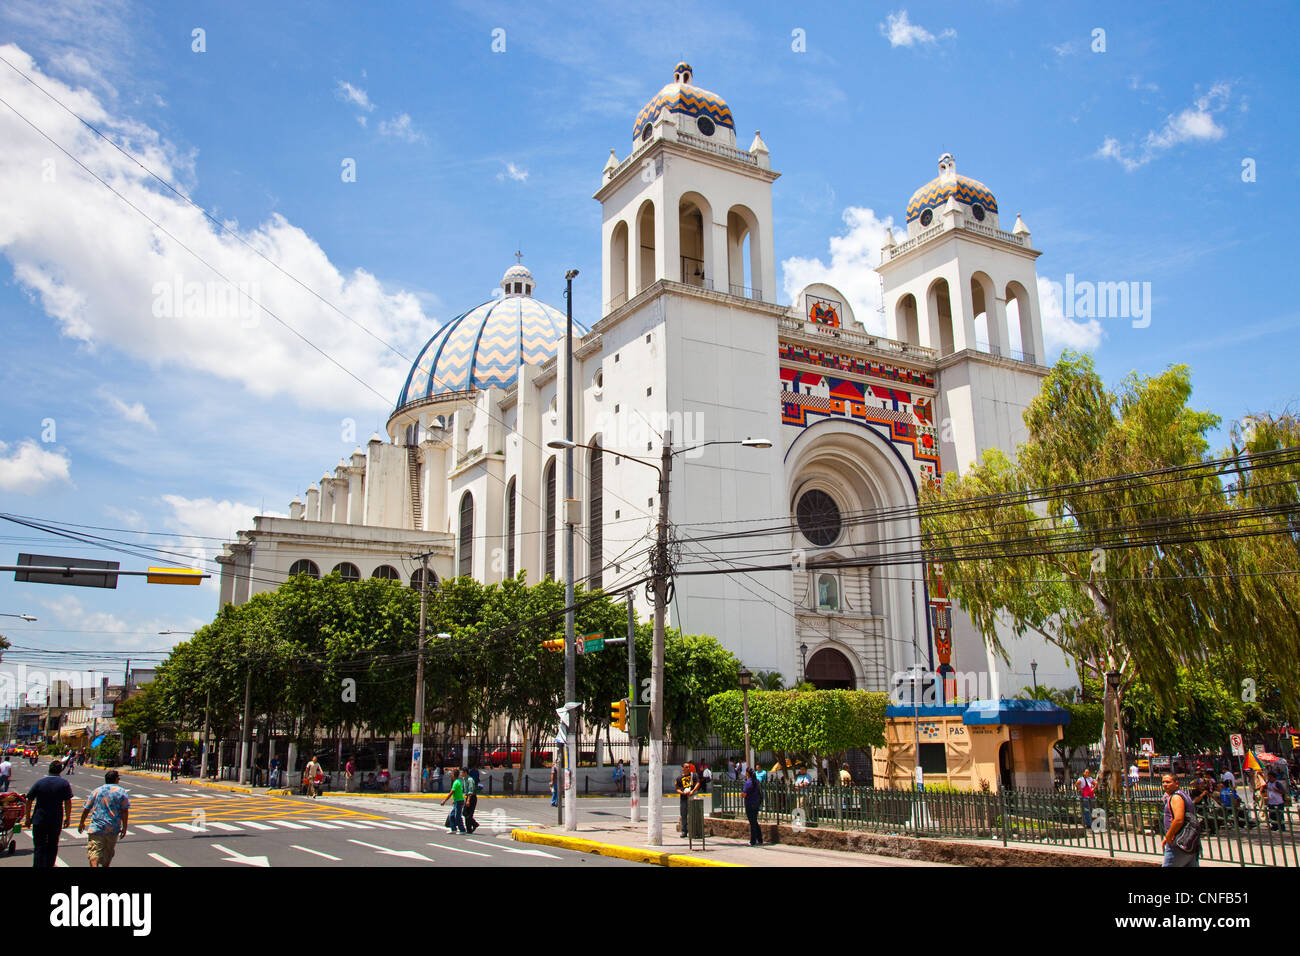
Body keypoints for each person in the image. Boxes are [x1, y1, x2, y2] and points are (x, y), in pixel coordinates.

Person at [24, 761, 73, 868]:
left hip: (39, 819)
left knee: (39, 846)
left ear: (49, 769)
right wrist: (68, 818)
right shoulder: (64, 784)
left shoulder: (40, 782)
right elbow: (68, 802)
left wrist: (27, 818)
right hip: (55, 820)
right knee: (52, 846)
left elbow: (29, 800)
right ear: (60, 770)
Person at [78, 769, 130, 868]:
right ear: (116, 780)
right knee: (108, 854)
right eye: (118, 778)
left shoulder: (97, 791)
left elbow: (87, 808)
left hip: (97, 827)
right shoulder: (121, 792)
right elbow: (124, 811)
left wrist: (82, 822)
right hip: (113, 828)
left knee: (94, 853)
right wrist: (124, 827)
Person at [1161, 773, 1199, 867]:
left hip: (1179, 842)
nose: (1165, 784)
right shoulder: (1183, 795)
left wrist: (1168, 836)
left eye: (1168, 782)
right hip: (1189, 841)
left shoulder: (1176, 797)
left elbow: (1178, 819)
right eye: (1163, 782)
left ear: (1176, 783)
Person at [675, 762, 699, 837]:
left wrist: (693, 791)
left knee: (693, 814)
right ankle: (684, 830)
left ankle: (694, 830)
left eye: (688, 767)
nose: (688, 768)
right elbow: (677, 789)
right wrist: (682, 793)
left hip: (692, 796)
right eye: (686, 767)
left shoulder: (694, 775)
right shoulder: (679, 778)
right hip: (684, 798)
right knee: (684, 814)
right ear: (682, 768)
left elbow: (698, 783)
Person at [440, 767, 467, 833]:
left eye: (452, 774)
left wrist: (444, 801)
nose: (451, 775)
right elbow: (458, 792)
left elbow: (451, 793)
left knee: (457, 816)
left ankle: (462, 829)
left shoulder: (456, 783)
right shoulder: (458, 782)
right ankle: (453, 829)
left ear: (454, 775)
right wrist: (454, 800)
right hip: (457, 800)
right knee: (452, 815)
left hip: (459, 801)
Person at [742, 766, 763, 846]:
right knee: (754, 821)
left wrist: (742, 795)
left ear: (747, 773)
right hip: (756, 803)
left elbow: (744, 794)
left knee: (752, 822)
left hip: (749, 804)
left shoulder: (748, 783)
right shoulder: (756, 781)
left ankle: (753, 840)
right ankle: (759, 838)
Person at [464, 766, 480, 833]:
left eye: (462, 772)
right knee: (465, 813)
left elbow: (470, 790)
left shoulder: (470, 780)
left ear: (465, 772)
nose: (461, 773)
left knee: (469, 814)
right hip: (468, 797)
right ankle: (473, 824)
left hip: (472, 797)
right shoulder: (465, 779)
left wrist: (468, 800)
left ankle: (469, 829)